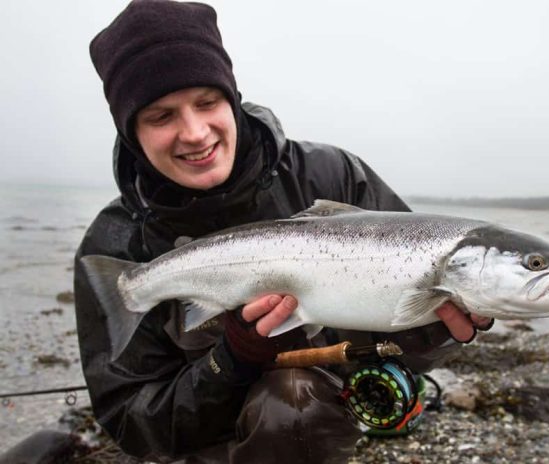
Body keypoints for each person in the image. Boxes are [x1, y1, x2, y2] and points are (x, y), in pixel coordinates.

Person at [75, 1, 494, 462]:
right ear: (132, 131)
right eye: (161, 116)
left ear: (231, 99)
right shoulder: (116, 244)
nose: (194, 132)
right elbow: (133, 424)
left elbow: (408, 353)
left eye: (207, 102)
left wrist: (435, 329)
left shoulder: (332, 178)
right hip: (200, 443)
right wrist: (229, 360)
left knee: (293, 403)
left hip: (320, 420)